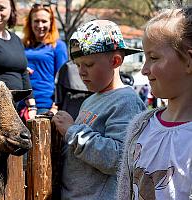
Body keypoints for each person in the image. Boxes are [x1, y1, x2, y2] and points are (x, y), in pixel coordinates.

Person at [51, 19, 146, 200]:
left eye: (89, 65)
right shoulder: (90, 100)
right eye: (78, 65)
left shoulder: (126, 102)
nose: (81, 72)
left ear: (115, 61)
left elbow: (118, 158)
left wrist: (72, 131)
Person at [117, 7, 192, 200]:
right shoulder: (140, 127)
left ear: (189, 62)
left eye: (154, 58)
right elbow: (125, 191)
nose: (144, 69)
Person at [22, 2, 68, 115]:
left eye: (44, 21)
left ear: (51, 23)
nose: (40, 25)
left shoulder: (58, 46)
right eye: (36, 21)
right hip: (22, 104)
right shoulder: (22, 45)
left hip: (44, 106)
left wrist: (55, 106)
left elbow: (63, 78)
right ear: (30, 23)